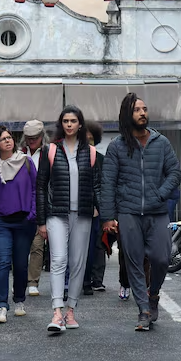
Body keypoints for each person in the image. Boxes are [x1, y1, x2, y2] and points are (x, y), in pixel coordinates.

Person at [100, 92, 181, 332]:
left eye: (145, 109)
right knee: (134, 262)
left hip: (157, 213)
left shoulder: (161, 142)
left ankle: (153, 294)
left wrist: (160, 194)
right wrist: (107, 217)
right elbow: (108, 183)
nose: (143, 113)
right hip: (129, 212)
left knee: (162, 258)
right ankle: (144, 310)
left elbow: (174, 173)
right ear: (128, 114)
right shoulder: (117, 147)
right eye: (137, 110)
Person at [36, 106, 101, 333]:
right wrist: (41, 220)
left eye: (73, 121)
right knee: (58, 260)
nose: (69, 124)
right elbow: (41, 186)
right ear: (61, 124)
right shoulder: (50, 150)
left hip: (83, 214)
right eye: (65, 121)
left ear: (80, 124)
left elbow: (97, 187)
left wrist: (104, 215)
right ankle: (56, 311)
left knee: (78, 263)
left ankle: (71, 310)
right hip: (57, 213)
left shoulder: (90, 153)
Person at [0, 125, 37, 324]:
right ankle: (1, 306)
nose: (8, 140)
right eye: (3, 139)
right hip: (1, 223)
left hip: (24, 221)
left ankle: (19, 299)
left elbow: (36, 190)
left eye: (10, 137)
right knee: (3, 263)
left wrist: (33, 214)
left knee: (21, 265)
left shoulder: (27, 163)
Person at [21, 120, 48, 296]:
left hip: (41, 202)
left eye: (35, 138)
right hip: (21, 203)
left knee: (38, 245)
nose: (32, 141)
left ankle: (33, 281)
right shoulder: (18, 153)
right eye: (29, 138)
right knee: (21, 246)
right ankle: (21, 279)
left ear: (41, 137)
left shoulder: (49, 152)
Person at [85, 120, 107, 293]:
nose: (88, 142)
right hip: (79, 208)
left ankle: (97, 279)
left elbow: (105, 185)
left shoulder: (101, 159)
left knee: (99, 244)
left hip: (99, 207)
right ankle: (83, 279)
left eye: (91, 139)